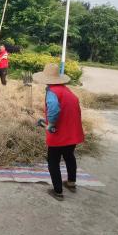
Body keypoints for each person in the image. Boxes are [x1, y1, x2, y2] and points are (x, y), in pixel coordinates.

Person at [33, 63, 84, 201]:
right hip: (73, 131)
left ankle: (57, 191)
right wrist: (47, 120)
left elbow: (54, 109)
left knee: (53, 161)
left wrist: (51, 124)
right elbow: (69, 110)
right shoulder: (67, 91)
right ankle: (71, 183)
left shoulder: (51, 92)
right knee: (69, 156)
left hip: (60, 133)